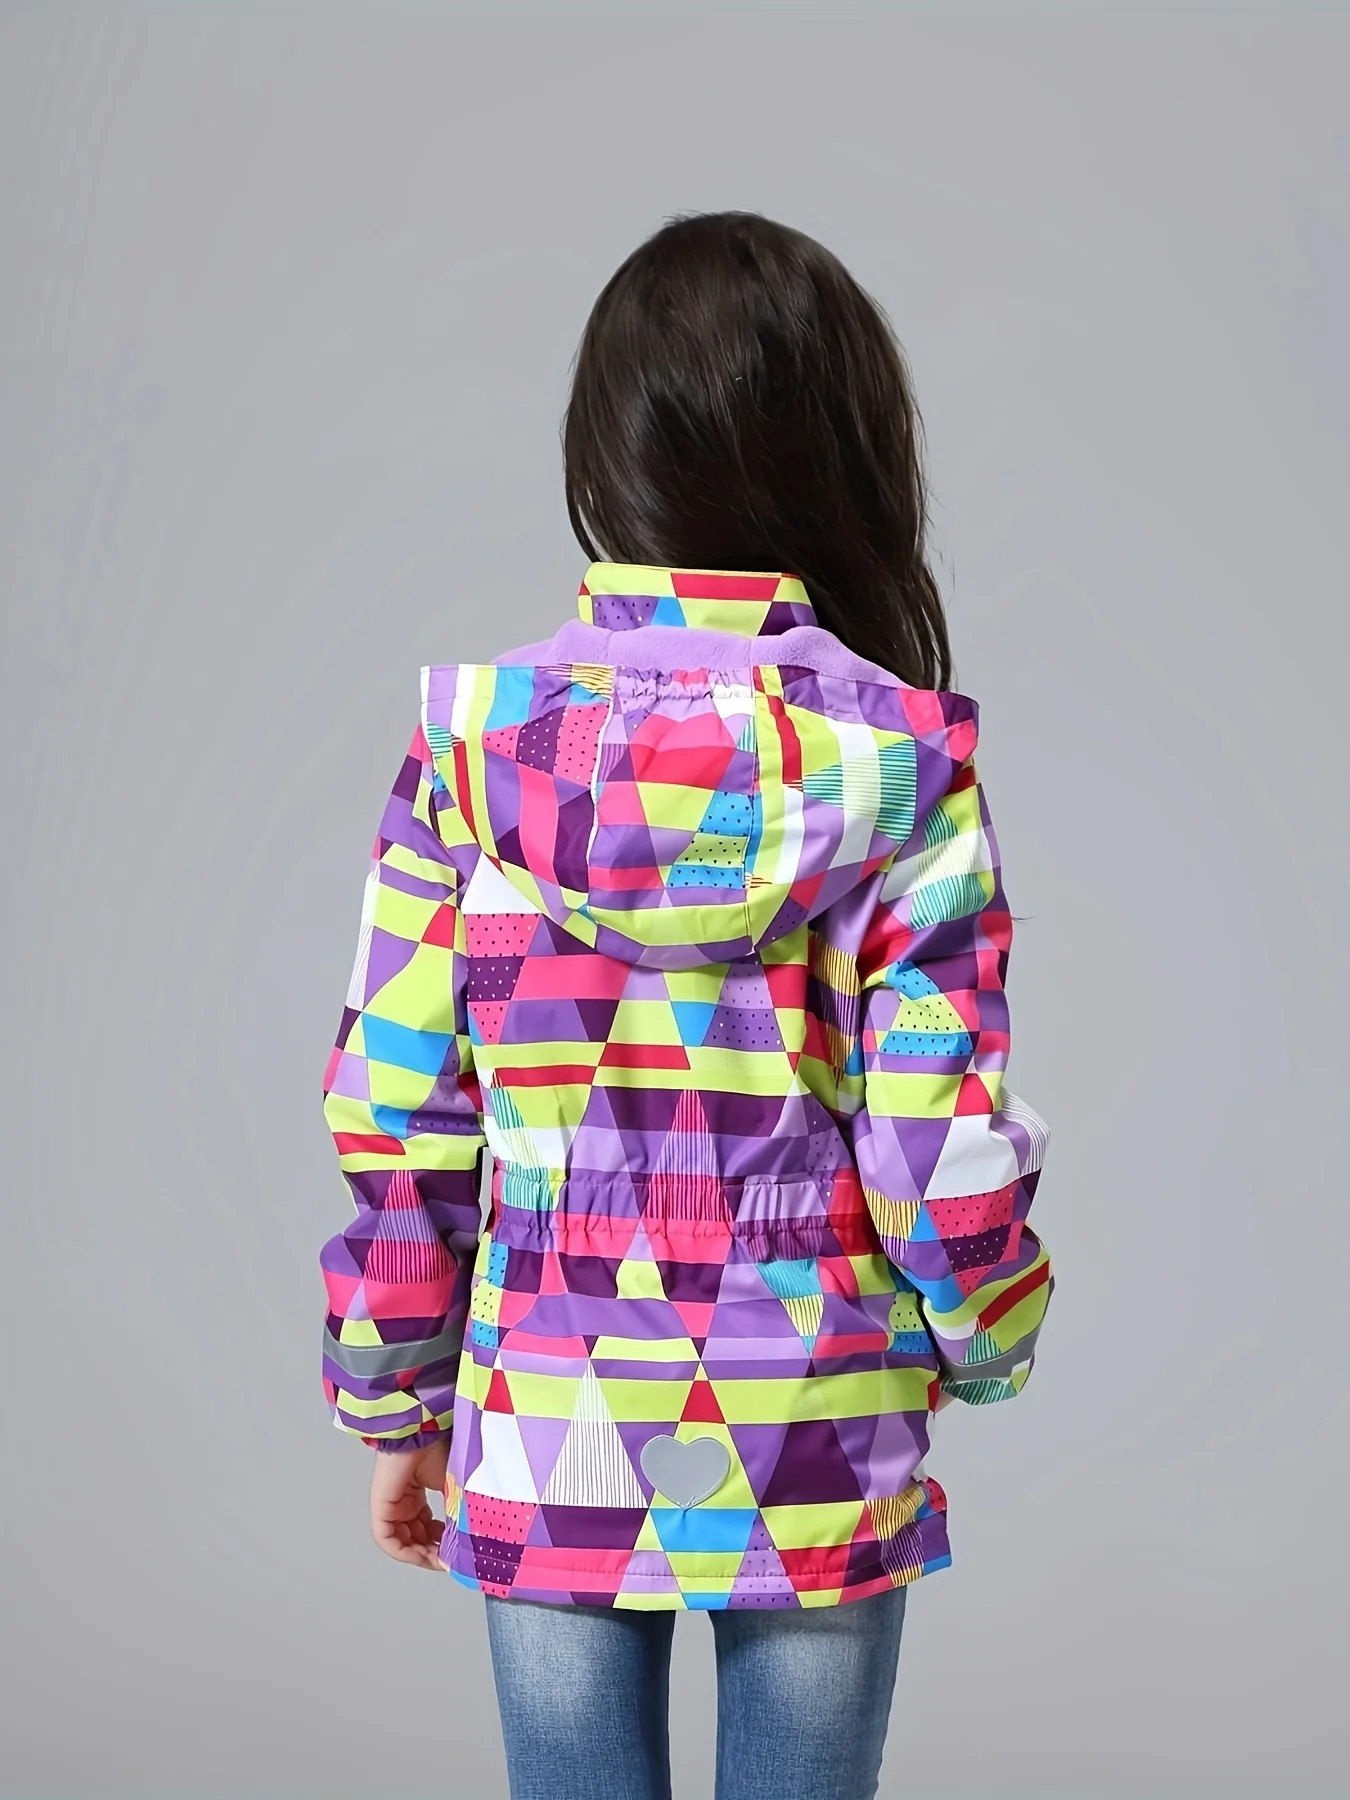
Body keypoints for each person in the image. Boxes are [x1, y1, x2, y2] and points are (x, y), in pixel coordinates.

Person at [316, 210, 1054, 1800]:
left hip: (546, 1400)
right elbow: (932, 1144)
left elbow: (399, 1110)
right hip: (820, 1409)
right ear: (847, 452)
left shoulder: (471, 762)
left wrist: (397, 1397)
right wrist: (988, 1336)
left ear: (604, 454)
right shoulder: (899, 771)